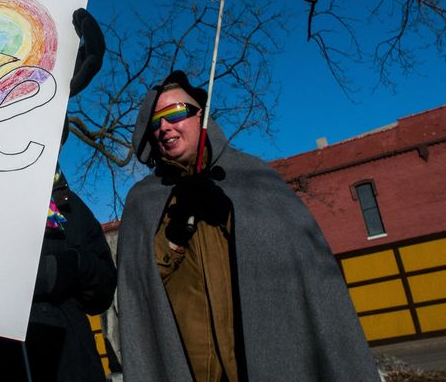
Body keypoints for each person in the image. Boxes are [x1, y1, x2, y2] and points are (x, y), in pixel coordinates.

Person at [116, 71, 380, 382]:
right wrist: (177, 232)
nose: (165, 126)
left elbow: (303, 270)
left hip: (273, 361)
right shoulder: (143, 202)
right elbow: (141, 292)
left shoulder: (256, 178)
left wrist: (227, 214)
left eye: (176, 112)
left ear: (201, 116)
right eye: (155, 121)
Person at [0, 8, 117, 382]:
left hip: (73, 367)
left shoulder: (72, 209)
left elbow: (103, 288)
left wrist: (65, 266)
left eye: (45, 133)